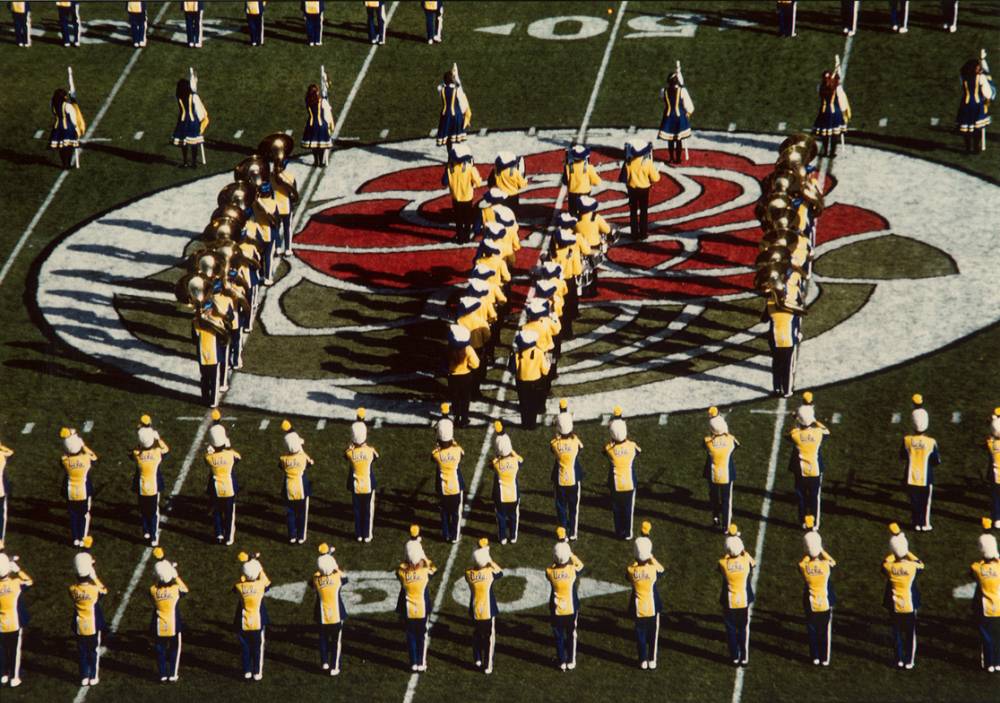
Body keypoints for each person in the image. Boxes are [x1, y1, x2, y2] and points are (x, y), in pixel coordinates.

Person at [881, 524, 923, 669]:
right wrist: (906, 551)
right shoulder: (912, 567)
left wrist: (895, 551)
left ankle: (898, 658)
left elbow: (885, 562)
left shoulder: (889, 567)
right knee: (910, 634)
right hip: (910, 602)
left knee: (896, 632)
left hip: (894, 603)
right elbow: (920, 563)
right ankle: (909, 660)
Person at [396, 539, 437, 672]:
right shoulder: (424, 572)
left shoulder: (402, 574)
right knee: (422, 637)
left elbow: (400, 568)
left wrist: (408, 560)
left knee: (411, 636)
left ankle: (413, 662)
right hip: (422, 609)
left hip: (408, 610)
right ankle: (421, 662)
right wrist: (423, 557)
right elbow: (433, 569)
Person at [788, 401, 830, 529]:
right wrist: (813, 420)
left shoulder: (795, 435)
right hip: (815, 469)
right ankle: (815, 523)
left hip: (800, 470)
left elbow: (789, 432)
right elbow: (826, 431)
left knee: (801, 497)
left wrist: (796, 419)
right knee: (814, 497)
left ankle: (802, 521)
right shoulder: (818, 433)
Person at [901, 397, 940, 531]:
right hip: (926, 477)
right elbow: (936, 461)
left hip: (910, 476)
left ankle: (916, 523)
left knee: (914, 502)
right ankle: (925, 524)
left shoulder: (907, 440)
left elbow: (902, 456)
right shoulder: (931, 442)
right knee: (925, 503)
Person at [149, 551, 188, 683]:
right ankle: (173, 674)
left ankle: (162, 674)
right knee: (174, 650)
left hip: (159, 624)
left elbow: (156, 583)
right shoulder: (175, 589)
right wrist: (175, 574)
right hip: (173, 624)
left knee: (160, 650)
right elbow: (185, 590)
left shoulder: (153, 590)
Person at [627, 533, 664, 670]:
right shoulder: (653, 569)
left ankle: (642, 659)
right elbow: (662, 571)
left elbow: (628, 573)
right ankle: (652, 659)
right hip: (653, 606)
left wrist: (637, 559)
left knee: (640, 634)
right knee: (653, 635)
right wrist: (651, 557)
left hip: (638, 607)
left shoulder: (631, 570)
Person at [69, 552, 107, 687]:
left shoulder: (72, 589)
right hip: (93, 624)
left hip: (80, 624)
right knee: (93, 651)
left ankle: (84, 676)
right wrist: (94, 576)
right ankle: (93, 676)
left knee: (82, 651)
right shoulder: (94, 589)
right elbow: (104, 590)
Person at [131, 416, 170, 546]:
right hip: (153, 485)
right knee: (154, 512)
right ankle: (153, 536)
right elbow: (166, 450)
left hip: (141, 485)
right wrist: (157, 439)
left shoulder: (137, 454)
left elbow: (135, 450)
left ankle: (146, 530)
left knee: (143, 509)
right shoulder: (157, 453)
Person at [465, 538, 502, 674]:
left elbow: (473, 568)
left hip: (475, 609)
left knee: (477, 634)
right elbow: (500, 572)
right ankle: (487, 665)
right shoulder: (489, 573)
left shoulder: (469, 574)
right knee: (489, 639)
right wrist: (490, 561)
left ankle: (477, 658)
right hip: (488, 610)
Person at [798, 529, 835, 666]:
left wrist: (809, 553)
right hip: (824, 602)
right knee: (824, 631)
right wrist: (820, 550)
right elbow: (832, 562)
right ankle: (824, 658)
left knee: (812, 630)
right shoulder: (826, 566)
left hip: (810, 602)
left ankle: (815, 657)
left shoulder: (805, 568)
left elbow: (801, 564)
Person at [719, 531, 755, 666]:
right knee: (743, 629)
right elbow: (753, 562)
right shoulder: (746, 561)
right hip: (743, 600)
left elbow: (724, 560)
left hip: (729, 601)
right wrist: (742, 550)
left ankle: (734, 656)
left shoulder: (722, 563)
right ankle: (744, 656)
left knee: (731, 630)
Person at [546, 541, 583, 671]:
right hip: (571, 608)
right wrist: (570, 554)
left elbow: (552, 566)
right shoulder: (572, 570)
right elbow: (581, 566)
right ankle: (571, 660)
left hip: (556, 610)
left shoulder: (549, 572)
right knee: (571, 634)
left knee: (559, 636)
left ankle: (561, 661)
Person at [233, 553, 270, 680]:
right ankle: (257, 672)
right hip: (257, 621)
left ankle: (247, 671)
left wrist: (244, 573)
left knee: (245, 647)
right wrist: (258, 566)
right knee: (258, 648)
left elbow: (236, 586)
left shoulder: (239, 586)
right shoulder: (260, 585)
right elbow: (267, 583)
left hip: (243, 621)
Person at [204, 418, 240, 545]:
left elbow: (207, 459)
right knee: (229, 515)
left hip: (216, 488)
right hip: (229, 487)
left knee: (217, 512)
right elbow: (238, 458)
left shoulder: (209, 457)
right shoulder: (230, 455)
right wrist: (228, 447)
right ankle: (229, 538)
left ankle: (218, 534)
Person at [605, 413, 641, 540]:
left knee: (616, 509)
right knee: (628, 509)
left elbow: (605, 451)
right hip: (629, 482)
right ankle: (628, 533)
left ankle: (618, 531)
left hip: (616, 483)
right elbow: (638, 451)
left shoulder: (609, 448)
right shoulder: (632, 446)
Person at [312, 544, 347, 675]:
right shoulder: (337, 578)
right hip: (336, 615)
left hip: (322, 615)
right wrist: (334, 566)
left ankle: (324, 662)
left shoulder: (316, 579)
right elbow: (345, 578)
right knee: (336, 642)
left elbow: (313, 581)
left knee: (322, 639)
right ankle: (334, 667)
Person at [551, 404, 584, 540]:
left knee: (561, 507)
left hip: (559, 478)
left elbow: (552, 449)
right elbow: (581, 448)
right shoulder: (575, 442)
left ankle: (563, 532)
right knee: (573, 508)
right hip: (574, 478)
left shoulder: (554, 443)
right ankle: (573, 533)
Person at [704, 406, 739, 532]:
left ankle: (715, 517)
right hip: (726, 473)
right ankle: (726, 526)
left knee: (713, 497)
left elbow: (706, 445)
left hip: (712, 473)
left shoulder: (708, 442)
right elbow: (736, 445)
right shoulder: (730, 441)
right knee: (726, 500)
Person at [60, 428, 97, 547]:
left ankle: (75, 538)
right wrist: (83, 445)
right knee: (84, 515)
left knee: (73, 515)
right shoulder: (86, 459)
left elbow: (65, 454)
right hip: (84, 490)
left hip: (70, 490)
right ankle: (83, 537)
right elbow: (94, 457)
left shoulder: (65, 460)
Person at [0, 549, 31, 687]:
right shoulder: (16, 583)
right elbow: (29, 581)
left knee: (2, 649)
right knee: (15, 650)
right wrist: (18, 570)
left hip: (1, 624)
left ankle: (3, 674)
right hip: (14, 622)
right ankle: (15, 676)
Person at [279, 425, 313, 544]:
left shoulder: (283, 459)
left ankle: (292, 536)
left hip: (288, 488)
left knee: (290, 513)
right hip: (301, 487)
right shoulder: (303, 458)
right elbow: (310, 464)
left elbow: (281, 466)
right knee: (302, 513)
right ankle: (301, 536)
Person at [432, 418, 465, 543]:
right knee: (456, 513)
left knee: (444, 513)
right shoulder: (457, 451)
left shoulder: (436, 454)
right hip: (456, 486)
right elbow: (462, 453)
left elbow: (433, 456)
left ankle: (445, 534)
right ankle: (455, 536)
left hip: (443, 487)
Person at [620, 139, 660, 240]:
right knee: (643, 211)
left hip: (632, 189)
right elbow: (656, 178)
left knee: (633, 212)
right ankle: (643, 233)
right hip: (644, 190)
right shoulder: (648, 163)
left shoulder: (628, 162)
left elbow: (623, 178)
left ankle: (634, 234)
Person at [345, 418, 378, 543]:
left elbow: (345, 454)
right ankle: (367, 535)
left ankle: (359, 534)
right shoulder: (370, 451)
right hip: (368, 484)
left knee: (357, 510)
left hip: (355, 485)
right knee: (368, 511)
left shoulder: (350, 453)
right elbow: (376, 457)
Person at [971, 533, 1000, 672]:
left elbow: (975, 567)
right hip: (998, 605)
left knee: (986, 636)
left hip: (984, 607)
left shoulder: (977, 568)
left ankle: (989, 663)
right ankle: (998, 662)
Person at [957, 52, 995, 154]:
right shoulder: (981, 77)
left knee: (967, 128)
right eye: (978, 67)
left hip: (965, 104)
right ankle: (975, 148)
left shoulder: (963, 77)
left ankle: (968, 148)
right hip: (977, 105)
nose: (979, 68)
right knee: (977, 128)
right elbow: (987, 93)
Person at [443, 144, 482, 243]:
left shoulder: (450, 168)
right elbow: (478, 182)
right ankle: (467, 237)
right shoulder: (470, 168)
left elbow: (444, 182)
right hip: (467, 197)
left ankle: (460, 238)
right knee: (468, 219)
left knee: (458, 219)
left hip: (456, 197)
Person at [513, 329, 549, 430]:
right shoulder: (539, 353)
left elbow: (513, 368)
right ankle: (532, 424)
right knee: (533, 404)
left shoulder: (518, 353)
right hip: (536, 381)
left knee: (524, 404)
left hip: (521, 381)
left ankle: (524, 424)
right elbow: (545, 371)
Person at [491, 427, 522, 544]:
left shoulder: (496, 464)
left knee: (501, 517)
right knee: (514, 517)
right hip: (513, 494)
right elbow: (521, 460)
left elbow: (492, 463)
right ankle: (513, 536)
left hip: (501, 495)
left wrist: (498, 456)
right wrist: (511, 451)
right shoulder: (516, 462)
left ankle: (502, 537)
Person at [658, 67, 694, 164]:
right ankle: (678, 159)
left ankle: (671, 158)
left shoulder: (663, 91)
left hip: (668, 116)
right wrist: (688, 113)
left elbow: (661, 97)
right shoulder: (682, 91)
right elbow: (689, 105)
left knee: (670, 139)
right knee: (678, 139)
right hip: (679, 117)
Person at [812, 68, 851, 158]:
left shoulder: (819, 87)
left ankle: (825, 151)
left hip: (824, 112)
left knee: (825, 134)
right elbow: (842, 101)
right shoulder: (837, 87)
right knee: (834, 134)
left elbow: (825, 88)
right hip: (835, 112)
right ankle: (832, 152)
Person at [447, 324, 479, 429]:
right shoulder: (468, 349)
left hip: (452, 377)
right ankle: (464, 420)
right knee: (465, 399)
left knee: (455, 397)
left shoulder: (449, 348)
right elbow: (476, 364)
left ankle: (456, 416)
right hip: (466, 376)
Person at [172, 77, 209, 168]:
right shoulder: (194, 96)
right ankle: (194, 163)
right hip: (193, 121)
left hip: (182, 121)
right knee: (194, 143)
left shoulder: (178, 96)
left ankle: (185, 162)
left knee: (184, 142)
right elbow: (198, 107)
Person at [49, 88, 85, 170]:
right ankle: (67, 164)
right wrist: (76, 128)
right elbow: (73, 117)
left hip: (57, 127)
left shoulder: (52, 104)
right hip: (68, 127)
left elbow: (54, 113)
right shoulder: (67, 105)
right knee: (68, 146)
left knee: (61, 146)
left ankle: (64, 163)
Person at [436, 65, 471, 147]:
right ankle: (453, 156)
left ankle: (450, 155)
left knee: (447, 137)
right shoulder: (457, 89)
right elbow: (459, 87)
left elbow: (442, 85)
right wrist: (456, 76)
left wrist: (450, 78)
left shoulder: (440, 89)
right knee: (455, 137)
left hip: (445, 115)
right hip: (456, 115)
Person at [302, 83, 335, 167]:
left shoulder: (307, 101)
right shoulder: (322, 101)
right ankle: (321, 162)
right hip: (321, 125)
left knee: (314, 145)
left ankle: (316, 161)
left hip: (311, 124)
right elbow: (328, 111)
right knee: (321, 145)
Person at [563, 145, 601, 218]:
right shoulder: (589, 167)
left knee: (572, 211)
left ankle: (574, 225)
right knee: (584, 211)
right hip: (585, 192)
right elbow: (597, 182)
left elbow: (565, 181)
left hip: (572, 193)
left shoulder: (568, 167)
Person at [986, 409, 1000, 523]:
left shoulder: (991, 444)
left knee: (995, 498)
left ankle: (997, 520)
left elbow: (990, 439)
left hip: (995, 476)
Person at [0, 440, 13, 543]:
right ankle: (1, 542)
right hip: (1, 491)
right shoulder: (2, 456)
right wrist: (2, 447)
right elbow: (11, 453)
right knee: (2, 517)